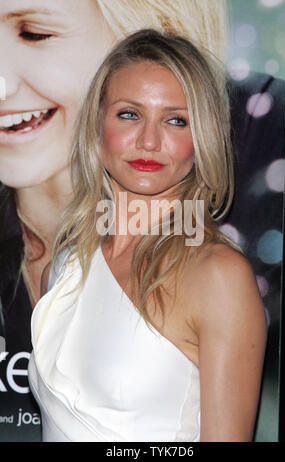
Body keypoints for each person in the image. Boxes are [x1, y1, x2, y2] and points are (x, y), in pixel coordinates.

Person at [0, 0, 227, 441]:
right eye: (129, 114)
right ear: (98, 125)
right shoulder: (64, 269)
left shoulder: (216, 276)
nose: (148, 139)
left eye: (176, 120)